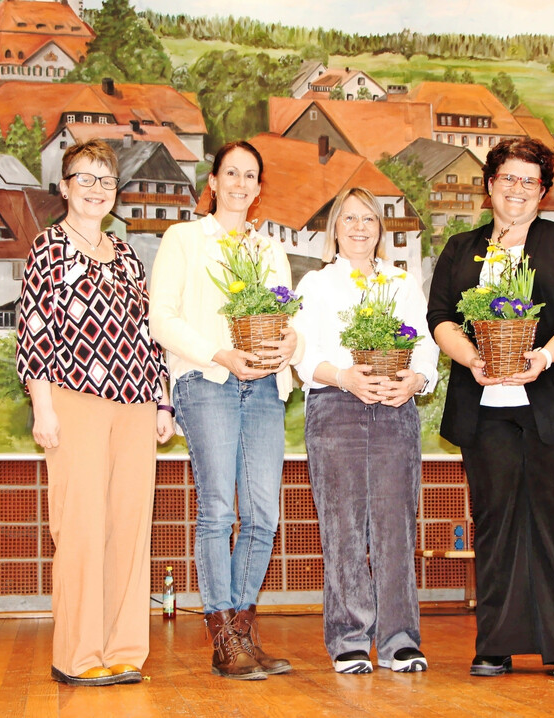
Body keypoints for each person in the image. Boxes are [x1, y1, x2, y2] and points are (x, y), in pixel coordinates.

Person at [427, 138, 554, 680]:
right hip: (485, 408)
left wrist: (546, 355)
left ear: (544, 191)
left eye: (530, 181)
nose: (518, 190)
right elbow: (439, 315)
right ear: (490, 185)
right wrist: (472, 359)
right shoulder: (462, 248)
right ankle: (496, 642)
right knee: (495, 523)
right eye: (509, 178)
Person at [16, 139, 175, 687]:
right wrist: (43, 407)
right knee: (81, 530)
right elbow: (34, 331)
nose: (96, 189)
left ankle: (124, 650)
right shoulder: (48, 248)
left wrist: (161, 401)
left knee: (129, 531)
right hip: (73, 400)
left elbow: (147, 333)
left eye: (105, 180)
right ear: (64, 187)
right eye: (84, 178)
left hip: (134, 405)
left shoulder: (128, 254)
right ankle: (78, 656)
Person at [150, 140, 300, 681]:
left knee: (263, 516)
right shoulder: (184, 239)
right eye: (230, 173)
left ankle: (241, 629)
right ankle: (223, 637)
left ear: (260, 189)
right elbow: (161, 318)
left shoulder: (270, 251)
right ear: (213, 181)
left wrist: (291, 346)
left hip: (262, 388)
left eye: (250, 175)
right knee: (217, 511)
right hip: (207, 381)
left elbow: (287, 324)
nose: (239, 183)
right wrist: (220, 353)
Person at [292, 188, 439, 674]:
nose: (360, 227)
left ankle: (399, 639)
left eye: (369, 220)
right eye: (350, 218)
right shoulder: (316, 284)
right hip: (336, 408)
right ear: (335, 227)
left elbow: (424, 347)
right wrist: (345, 377)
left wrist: (417, 379)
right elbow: (304, 357)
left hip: (396, 409)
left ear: (380, 229)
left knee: (396, 527)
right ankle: (350, 638)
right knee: (344, 528)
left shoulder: (403, 282)